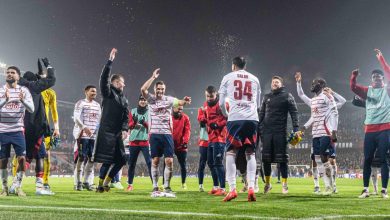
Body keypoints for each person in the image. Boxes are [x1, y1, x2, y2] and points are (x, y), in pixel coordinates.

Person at [140, 68, 191, 195]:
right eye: (158, 89)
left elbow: (180, 102)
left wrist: (185, 100)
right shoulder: (150, 99)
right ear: (155, 89)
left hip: (167, 134)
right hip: (154, 134)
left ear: (164, 89)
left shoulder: (169, 99)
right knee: (155, 160)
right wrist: (153, 77)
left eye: (162, 89)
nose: (160, 91)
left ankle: (167, 186)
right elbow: (142, 89)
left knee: (169, 161)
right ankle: (155, 186)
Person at [218, 56, 261, 202]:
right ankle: (251, 187)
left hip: (235, 118)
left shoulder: (228, 77)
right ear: (245, 65)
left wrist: (226, 114)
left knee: (231, 152)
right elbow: (258, 103)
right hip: (252, 119)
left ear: (233, 65)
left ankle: (232, 189)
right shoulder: (255, 78)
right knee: (250, 153)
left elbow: (221, 102)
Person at [295, 72, 346, 193]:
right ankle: (328, 185)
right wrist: (298, 82)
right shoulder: (313, 100)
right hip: (315, 134)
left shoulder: (327, 96)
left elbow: (335, 112)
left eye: (315, 83)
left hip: (325, 132)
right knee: (318, 160)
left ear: (322, 85)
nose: (312, 84)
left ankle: (331, 185)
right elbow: (301, 95)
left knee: (324, 158)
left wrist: (334, 131)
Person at [349, 49, 390, 199]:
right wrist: (353, 76)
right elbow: (353, 88)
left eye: (379, 76)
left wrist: (382, 60)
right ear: (371, 79)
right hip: (370, 130)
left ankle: (384, 190)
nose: (377, 78)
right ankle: (365, 189)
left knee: (384, 159)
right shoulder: (368, 91)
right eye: (374, 76)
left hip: (385, 128)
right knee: (367, 159)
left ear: (383, 79)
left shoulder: (388, 90)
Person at [16, 58, 56, 195]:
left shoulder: (18, 86)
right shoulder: (35, 87)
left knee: (24, 157)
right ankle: (39, 187)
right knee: (39, 157)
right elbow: (51, 80)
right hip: (36, 127)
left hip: (21, 127)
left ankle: (16, 184)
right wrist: (48, 66)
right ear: (34, 80)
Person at [92, 48, 129, 193]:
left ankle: (107, 182)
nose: (123, 85)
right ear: (114, 82)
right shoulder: (108, 93)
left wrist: (125, 129)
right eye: (121, 82)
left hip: (118, 133)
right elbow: (103, 79)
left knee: (122, 160)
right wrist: (109, 62)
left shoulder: (124, 99)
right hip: (106, 131)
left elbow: (126, 116)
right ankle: (100, 185)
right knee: (107, 160)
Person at [259, 76, 299, 195]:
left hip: (280, 132)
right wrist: (257, 126)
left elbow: (294, 112)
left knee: (282, 160)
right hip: (267, 132)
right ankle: (267, 184)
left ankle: (284, 185)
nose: (274, 84)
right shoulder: (266, 97)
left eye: (277, 82)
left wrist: (296, 128)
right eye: (273, 82)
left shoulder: (287, 96)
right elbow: (261, 114)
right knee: (265, 159)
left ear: (281, 84)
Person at [0, 66, 34, 197]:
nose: (9, 74)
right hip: (2, 130)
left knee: (21, 159)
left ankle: (18, 186)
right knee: (3, 160)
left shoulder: (24, 90)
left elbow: (31, 109)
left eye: (12, 72)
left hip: (17, 130)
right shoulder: (1, 90)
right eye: (7, 72)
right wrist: (5, 100)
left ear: (18, 76)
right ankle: (4, 188)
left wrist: (22, 100)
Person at [73, 85, 101, 191]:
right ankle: (77, 183)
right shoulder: (80, 103)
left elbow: (99, 120)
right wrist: (84, 128)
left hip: (93, 137)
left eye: (95, 92)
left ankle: (86, 182)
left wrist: (96, 131)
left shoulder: (97, 105)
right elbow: (76, 118)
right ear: (86, 92)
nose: (94, 93)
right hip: (82, 135)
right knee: (81, 158)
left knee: (91, 159)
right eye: (92, 91)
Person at [202, 85, 228, 196]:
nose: (209, 98)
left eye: (211, 96)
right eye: (207, 96)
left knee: (218, 162)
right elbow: (203, 116)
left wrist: (218, 124)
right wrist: (202, 120)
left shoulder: (221, 104)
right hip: (210, 138)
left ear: (216, 94)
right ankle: (216, 186)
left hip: (220, 138)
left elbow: (227, 117)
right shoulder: (205, 105)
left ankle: (222, 188)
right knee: (211, 162)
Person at [126, 95, 151, 191]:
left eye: (144, 100)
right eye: (141, 100)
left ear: (147, 102)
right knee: (132, 164)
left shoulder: (150, 112)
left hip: (145, 141)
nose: (143, 101)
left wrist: (144, 123)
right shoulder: (132, 111)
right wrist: (134, 123)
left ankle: (155, 185)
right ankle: (130, 185)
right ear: (138, 101)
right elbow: (129, 126)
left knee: (149, 163)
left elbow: (151, 127)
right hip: (134, 142)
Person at [172, 106, 191, 189]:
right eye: (178, 109)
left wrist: (185, 142)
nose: (180, 110)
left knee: (183, 165)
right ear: (173, 108)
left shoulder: (185, 118)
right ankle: (164, 183)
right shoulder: (169, 117)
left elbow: (187, 131)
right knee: (167, 163)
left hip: (181, 145)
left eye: (181, 109)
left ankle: (183, 183)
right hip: (170, 144)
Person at [197, 107, 209, 192]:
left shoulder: (218, 111)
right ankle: (200, 185)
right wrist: (205, 113)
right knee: (202, 164)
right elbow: (201, 122)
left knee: (215, 165)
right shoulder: (202, 109)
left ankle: (217, 186)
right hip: (204, 142)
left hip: (215, 141)